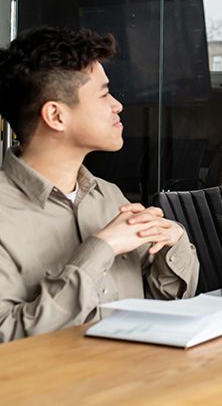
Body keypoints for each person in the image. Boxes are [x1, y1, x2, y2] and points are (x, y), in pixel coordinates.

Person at [0, 27, 199, 343]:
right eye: (104, 94)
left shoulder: (109, 197)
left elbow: (162, 308)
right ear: (56, 116)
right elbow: (9, 338)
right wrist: (100, 249)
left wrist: (171, 244)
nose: (118, 105)